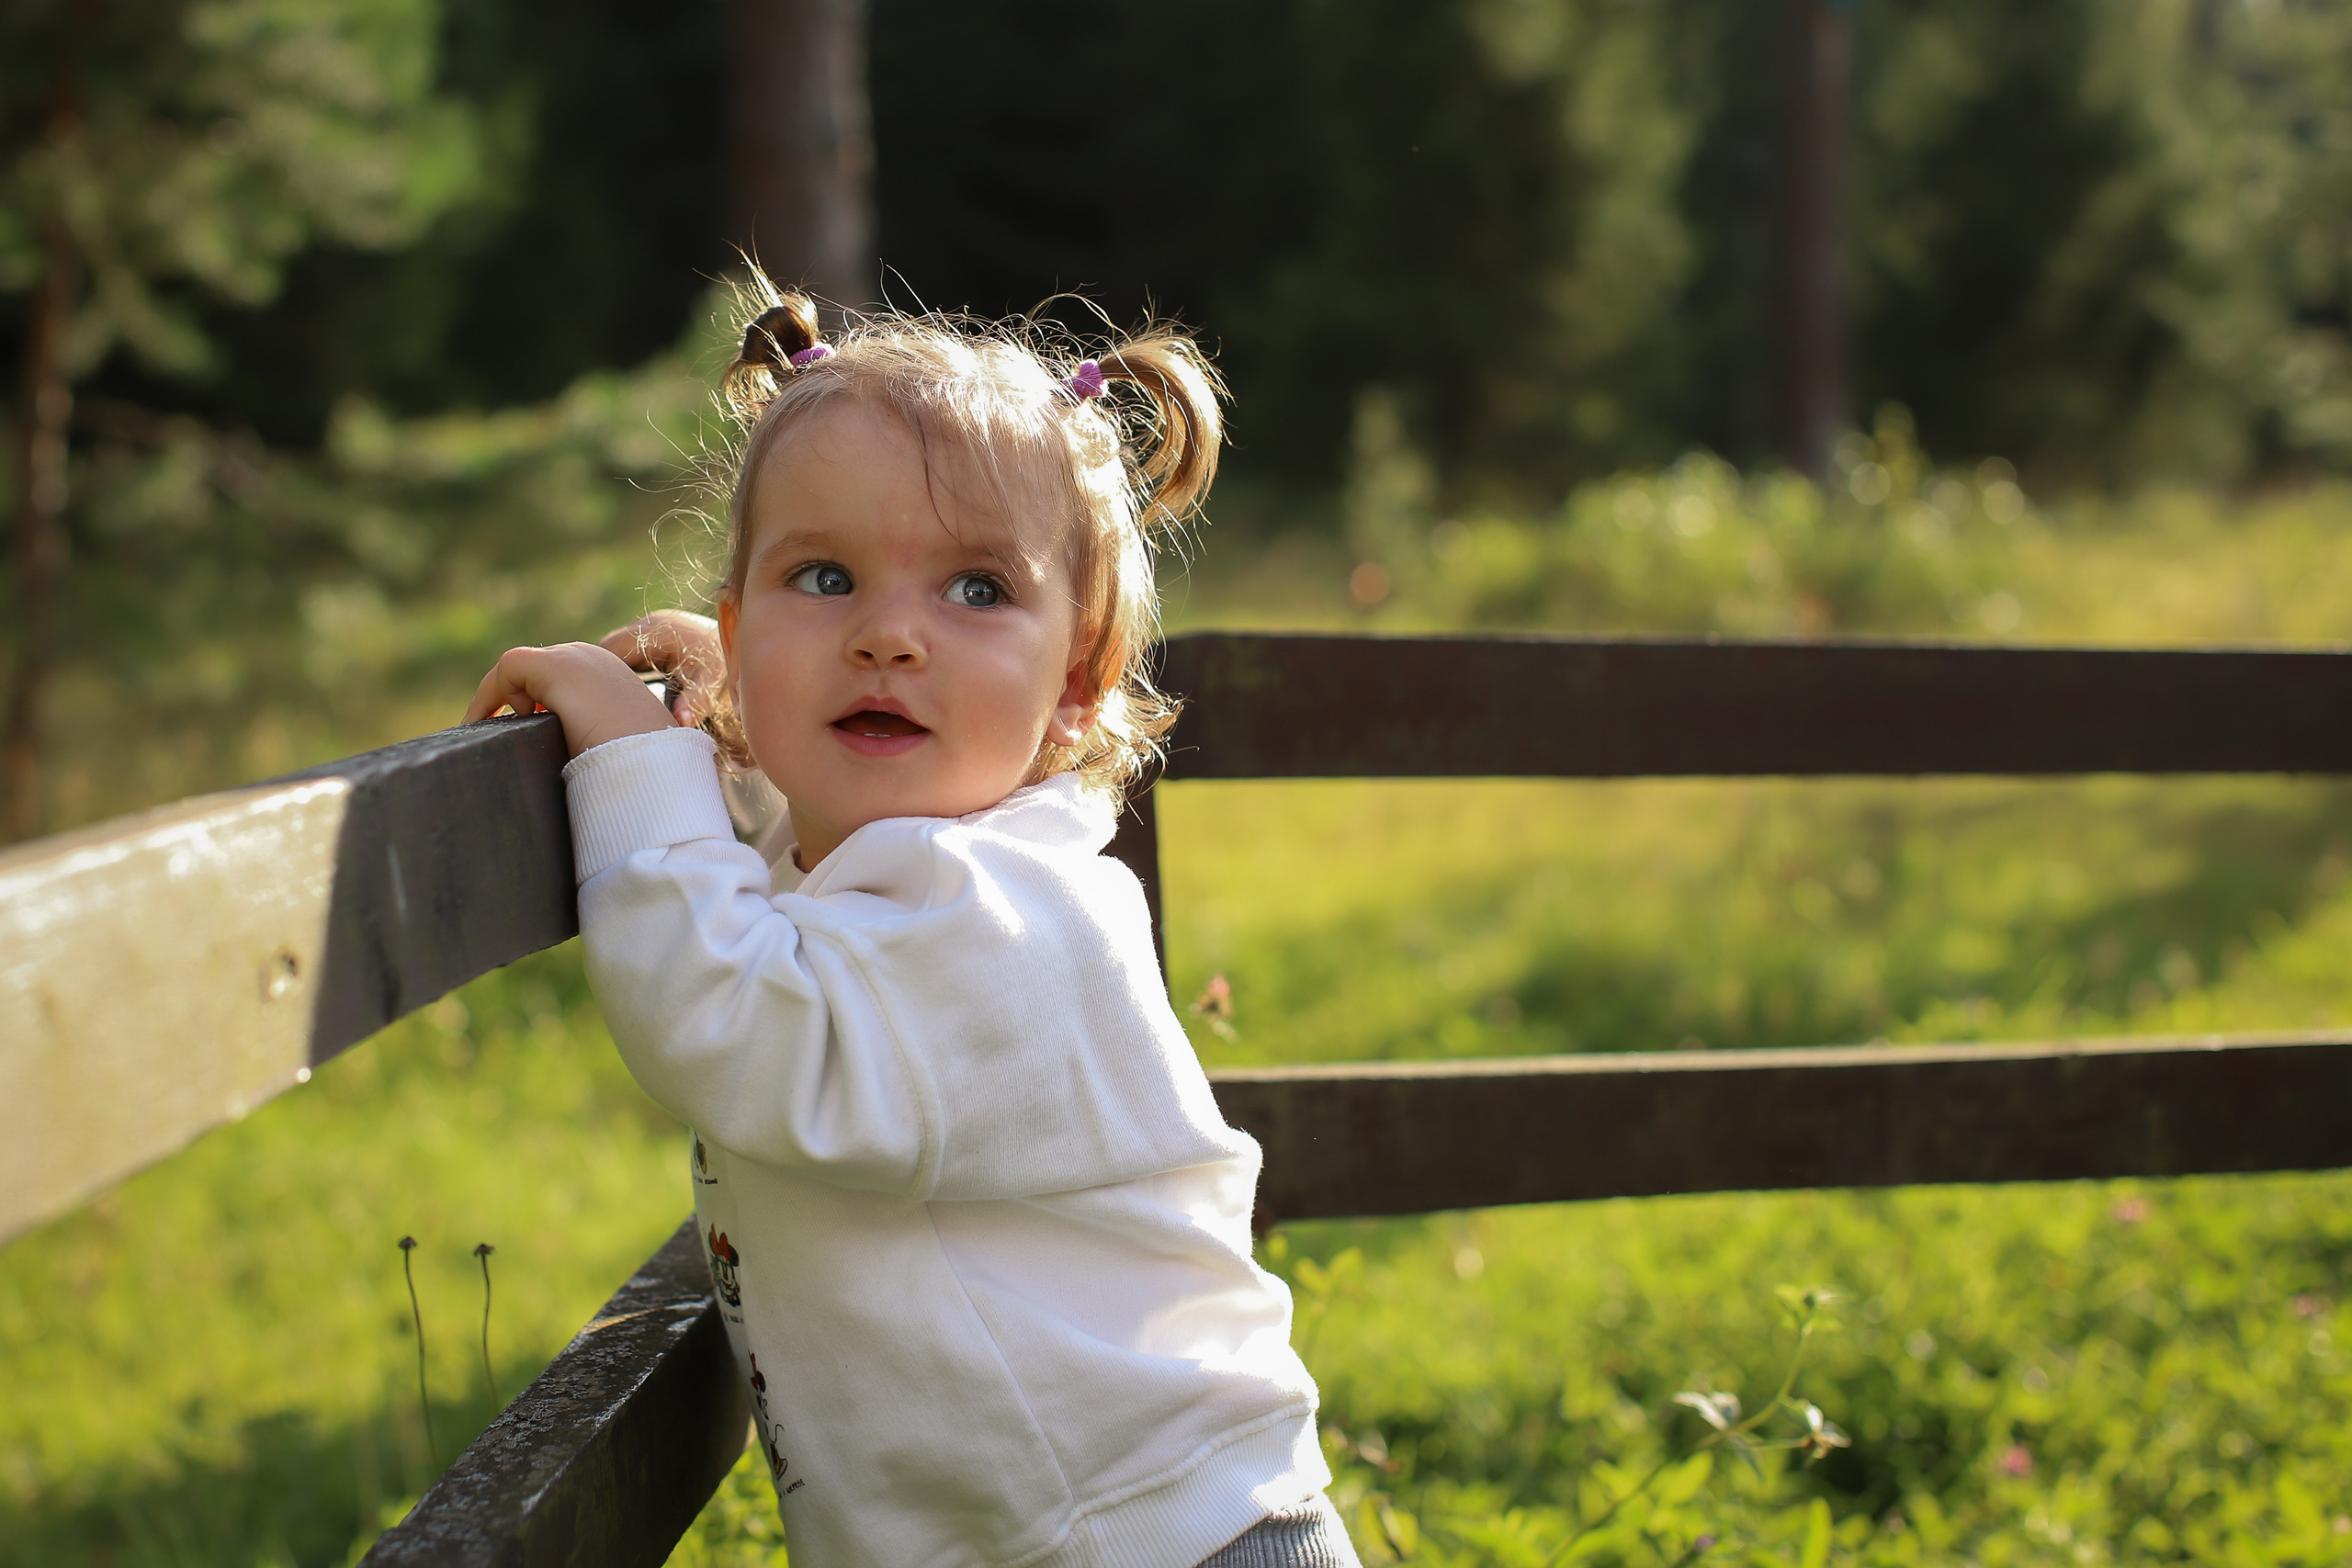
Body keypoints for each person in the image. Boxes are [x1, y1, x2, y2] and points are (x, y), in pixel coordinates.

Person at [463, 286, 1359, 1568]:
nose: (887, 636)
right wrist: (728, 740)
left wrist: (635, 764)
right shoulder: (900, 871)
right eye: (822, 579)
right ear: (739, 629)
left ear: (1077, 678)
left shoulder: (1012, 918)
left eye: (977, 589)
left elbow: (746, 1023)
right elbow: (804, 884)